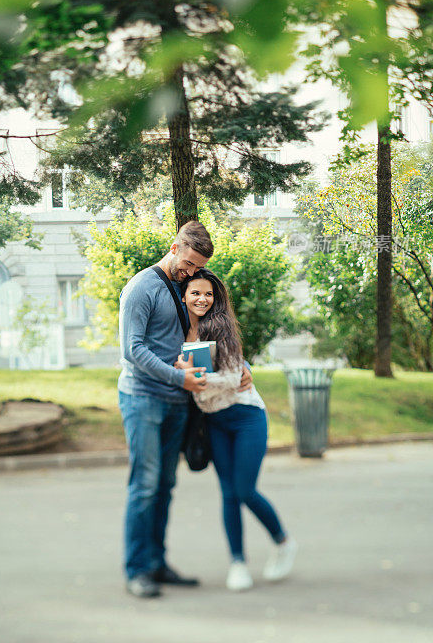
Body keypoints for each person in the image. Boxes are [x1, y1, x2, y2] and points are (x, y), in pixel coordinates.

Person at [118, 221, 252, 598]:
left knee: (164, 486)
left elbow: (215, 334)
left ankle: (157, 564)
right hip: (142, 397)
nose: (192, 272)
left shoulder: (188, 288)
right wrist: (180, 380)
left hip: (178, 403)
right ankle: (137, 569)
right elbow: (133, 350)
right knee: (144, 485)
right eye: (189, 263)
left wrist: (243, 368)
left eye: (197, 268)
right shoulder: (142, 287)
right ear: (175, 247)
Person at [176, 268, 297, 591]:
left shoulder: (221, 327)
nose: (202, 299)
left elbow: (232, 379)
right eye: (195, 292)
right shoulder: (176, 333)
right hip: (214, 423)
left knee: (244, 489)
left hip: (246, 417)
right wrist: (198, 386)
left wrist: (195, 382)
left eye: (209, 293)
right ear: (183, 296)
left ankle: (283, 542)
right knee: (228, 494)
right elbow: (205, 395)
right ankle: (238, 563)